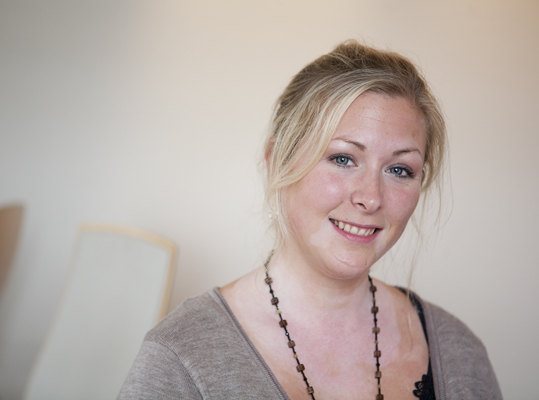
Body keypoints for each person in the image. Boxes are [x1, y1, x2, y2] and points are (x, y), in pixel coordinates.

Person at [118, 41, 502, 400]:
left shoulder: (460, 352)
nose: (370, 198)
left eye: (399, 169)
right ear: (277, 162)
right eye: (342, 159)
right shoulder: (180, 359)